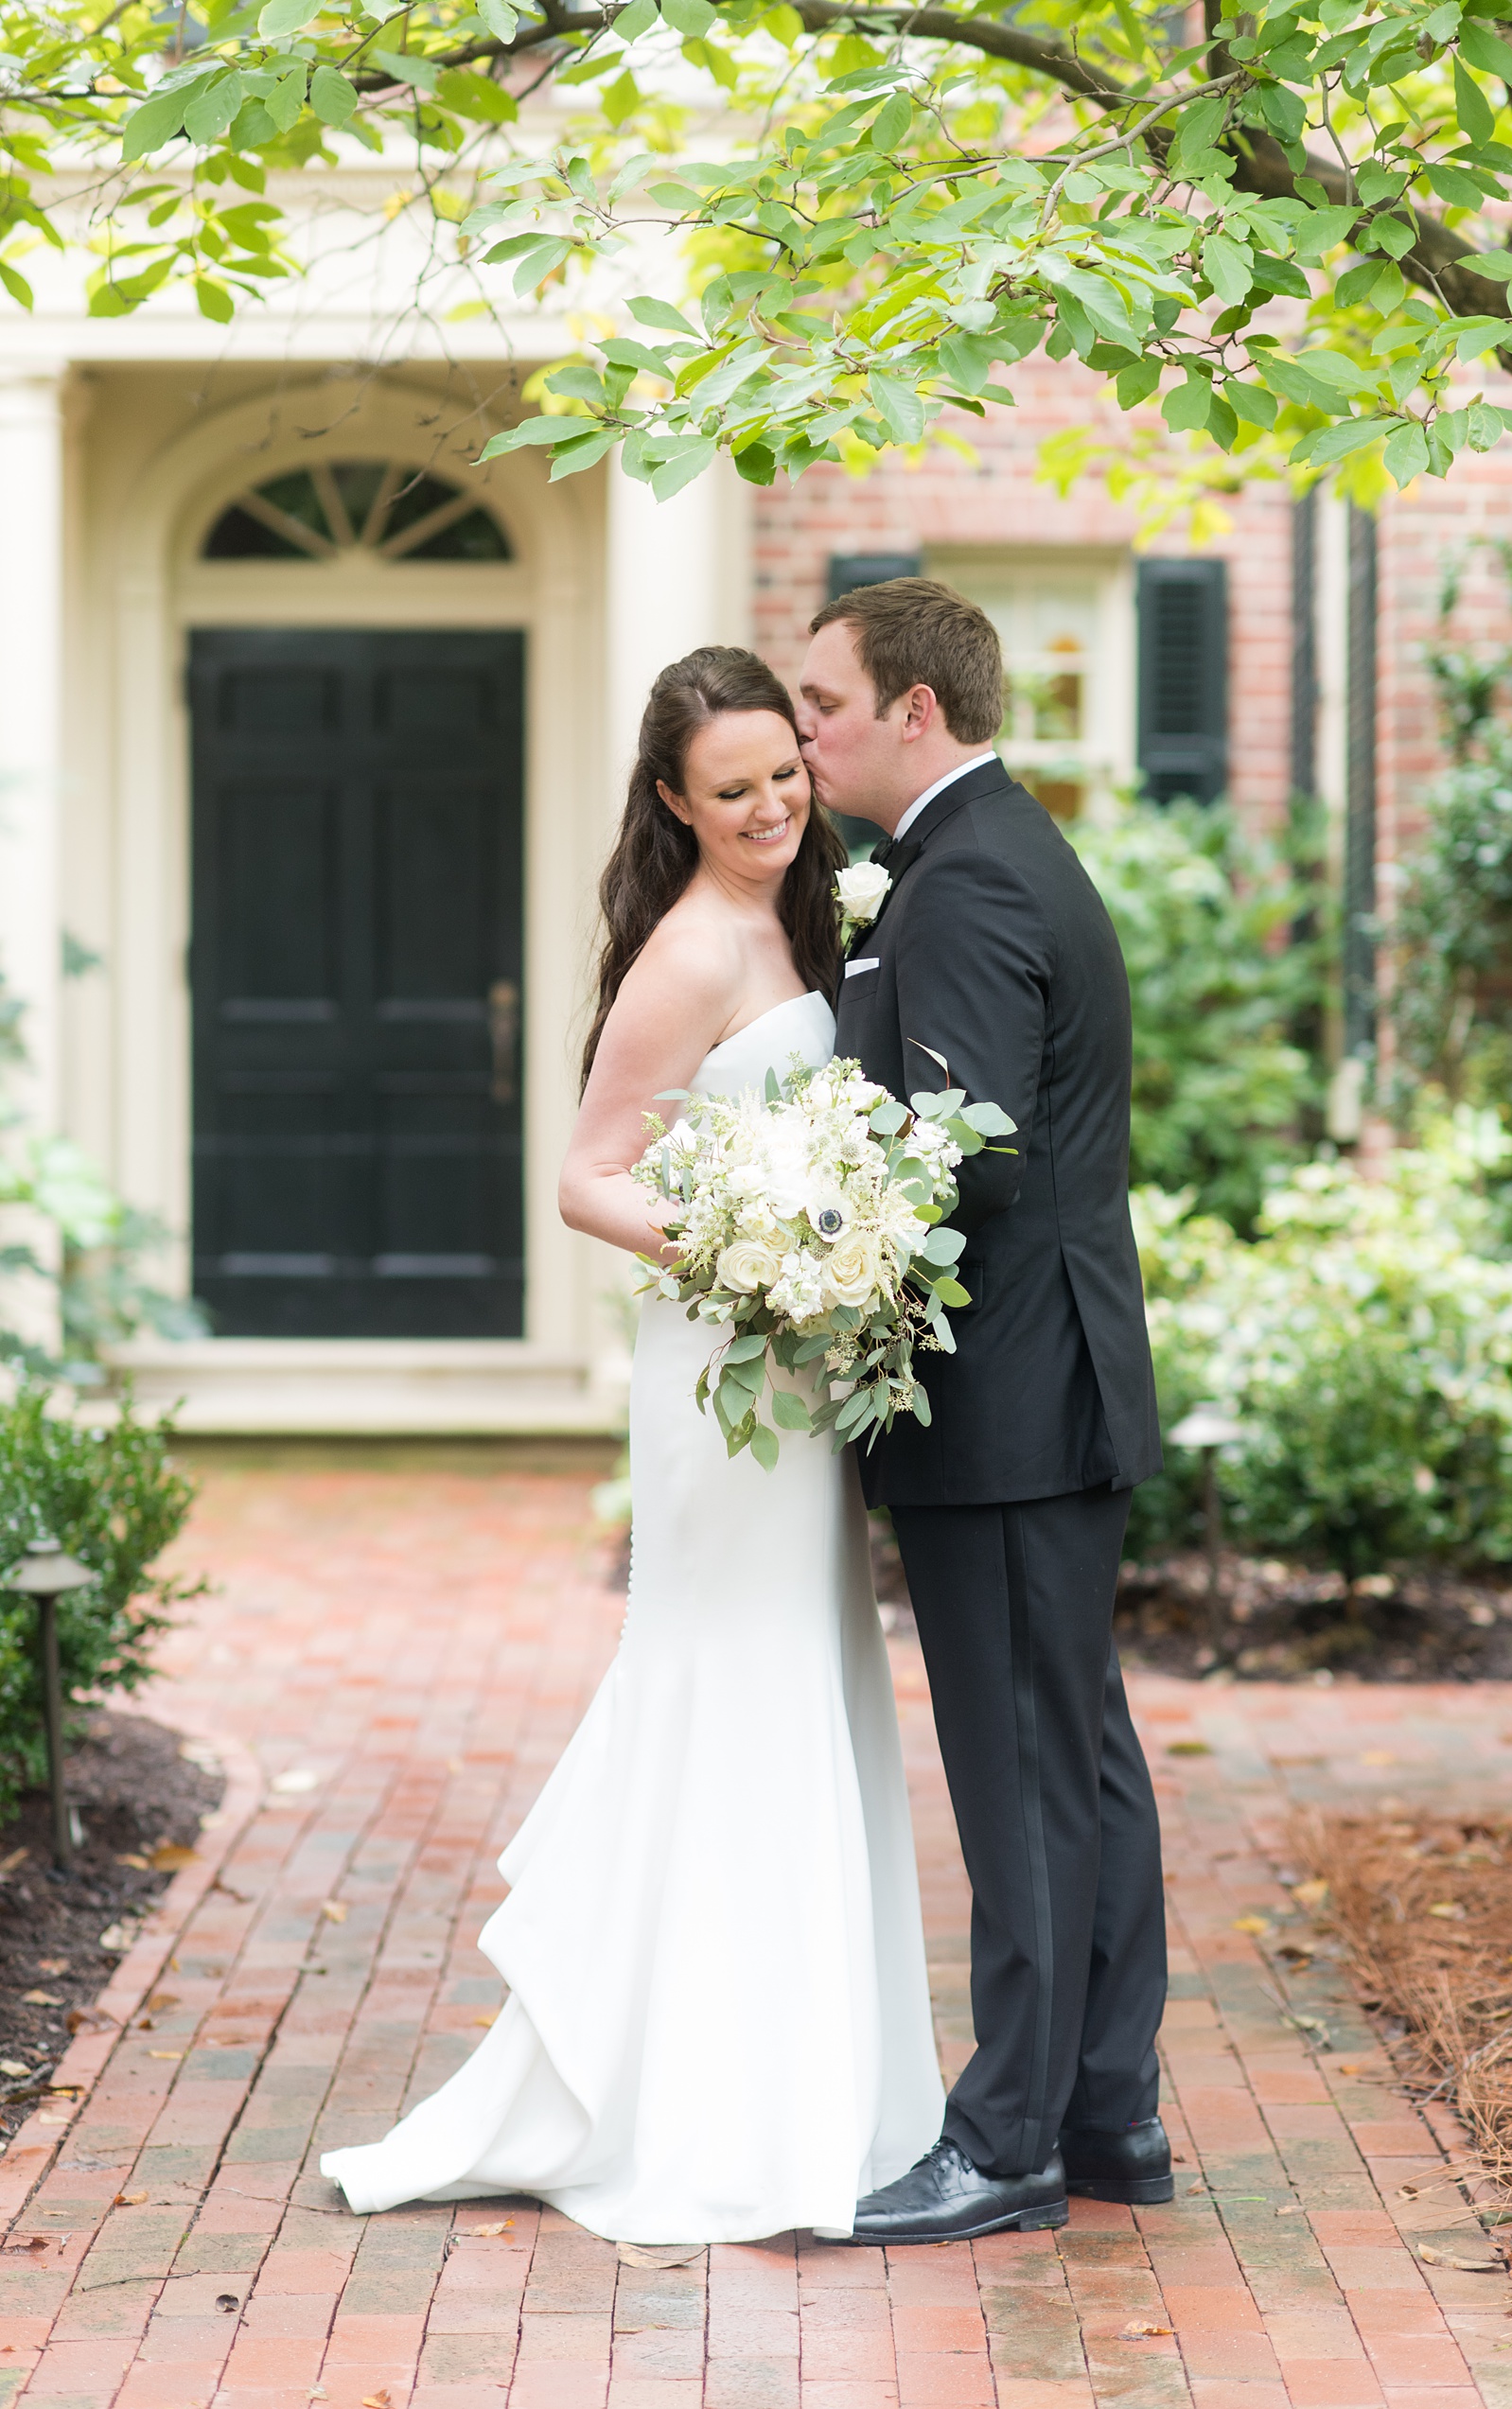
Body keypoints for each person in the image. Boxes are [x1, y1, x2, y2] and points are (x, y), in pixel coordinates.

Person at [319, 647, 945, 2242]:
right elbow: (591, 1177)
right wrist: (756, 1260)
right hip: (725, 1380)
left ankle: (812, 2082)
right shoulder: (686, 949)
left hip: (794, 1384)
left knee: (805, 1676)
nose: (769, 809)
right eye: (730, 791)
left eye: (784, 777)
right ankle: (700, 2101)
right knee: (730, 1684)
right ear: (672, 800)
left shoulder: (809, 907)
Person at [797, 577, 1171, 2246]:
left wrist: (808, 1213)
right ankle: (1108, 2113)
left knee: (1025, 1770)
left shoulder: (957, 883)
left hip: (1006, 1398)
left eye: (823, 706)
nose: (806, 733)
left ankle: (1009, 2132)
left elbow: (969, 1150)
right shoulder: (1002, 852)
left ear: (914, 714)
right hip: (1058, 1379)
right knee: (1078, 1755)